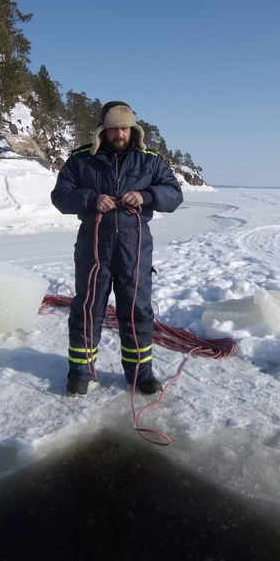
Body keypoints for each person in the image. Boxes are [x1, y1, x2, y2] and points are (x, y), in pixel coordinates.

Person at [51, 101, 183, 396]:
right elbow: (60, 196)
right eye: (114, 128)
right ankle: (80, 372)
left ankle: (140, 373)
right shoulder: (81, 159)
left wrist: (146, 195)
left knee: (136, 310)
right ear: (103, 130)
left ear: (133, 129)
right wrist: (90, 199)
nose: (120, 133)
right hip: (93, 245)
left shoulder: (150, 160)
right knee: (87, 308)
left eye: (125, 127)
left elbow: (174, 195)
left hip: (134, 247)